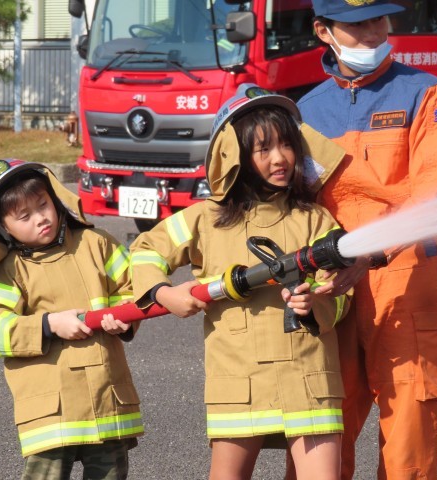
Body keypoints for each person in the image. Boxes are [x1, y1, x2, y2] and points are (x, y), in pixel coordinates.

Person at [129, 84, 351, 480]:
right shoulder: (205, 219)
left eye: (287, 144)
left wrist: (316, 303)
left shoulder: (315, 219)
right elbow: (145, 250)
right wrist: (164, 293)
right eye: (263, 149)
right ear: (233, 156)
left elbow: (341, 294)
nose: (280, 158)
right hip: (238, 381)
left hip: (308, 378)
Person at [292, 1, 437, 479]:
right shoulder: (306, 112)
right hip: (332, 285)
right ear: (323, 31)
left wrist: (370, 253)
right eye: (356, 23)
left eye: (379, 19)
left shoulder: (426, 94)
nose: (372, 32)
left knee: (409, 436)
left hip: (406, 278)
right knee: (323, 430)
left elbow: (433, 192)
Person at [0, 158, 143, 479]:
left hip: (106, 403)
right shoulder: (9, 272)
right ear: (1, 227)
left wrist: (123, 314)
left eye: (43, 204)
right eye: (24, 216)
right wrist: (48, 325)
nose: (41, 218)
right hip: (50, 414)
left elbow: (135, 287)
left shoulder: (97, 243)